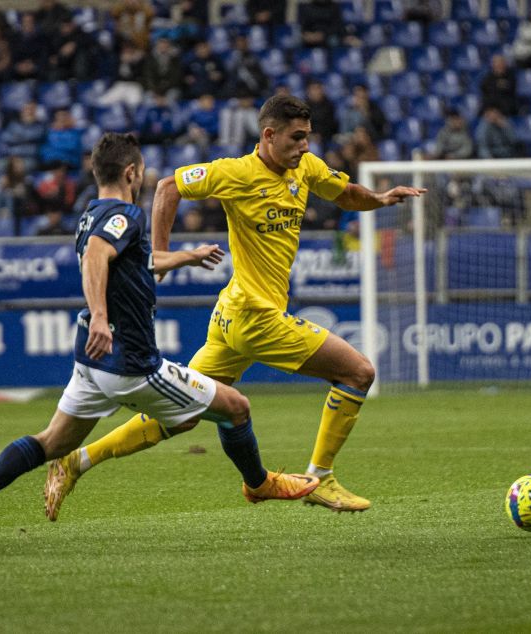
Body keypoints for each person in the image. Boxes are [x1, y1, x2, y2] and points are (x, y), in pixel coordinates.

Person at [0, 132, 319, 553]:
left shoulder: (92, 212)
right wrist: (100, 317)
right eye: (143, 170)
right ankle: (259, 484)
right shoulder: (126, 214)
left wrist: (185, 256)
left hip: (91, 362)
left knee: (53, 441)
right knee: (236, 409)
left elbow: (125, 260)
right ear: (131, 172)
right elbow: (97, 255)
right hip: (131, 363)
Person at [44, 95, 426, 517]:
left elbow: (345, 193)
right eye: (296, 138)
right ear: (268, 135)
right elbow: (170, 187)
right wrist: (162, 255)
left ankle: (76, 461)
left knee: (183, 414)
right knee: (358, 372)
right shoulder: (237, 172)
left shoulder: (307, 167)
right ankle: (321, 477)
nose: (304, 146)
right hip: (256, 317)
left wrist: (380, 198)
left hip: (231, 315)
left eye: (307, 137)